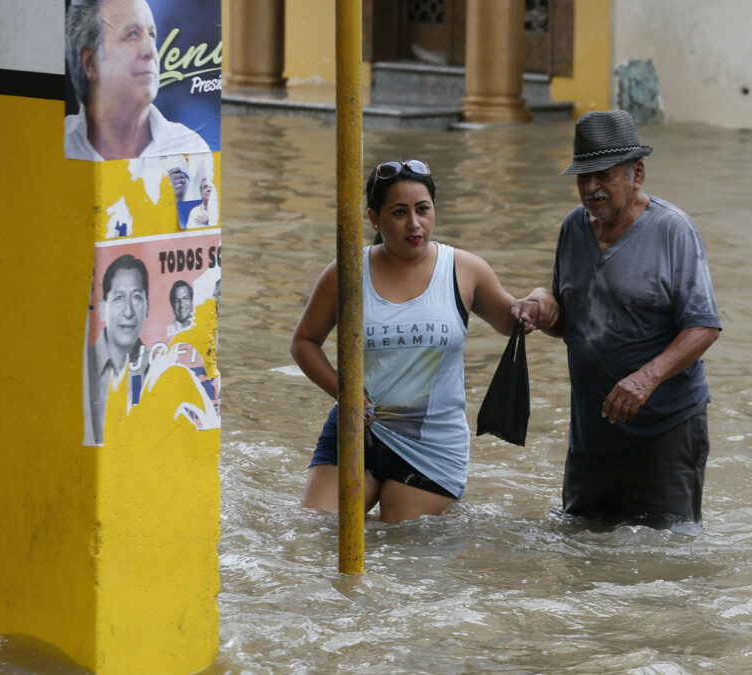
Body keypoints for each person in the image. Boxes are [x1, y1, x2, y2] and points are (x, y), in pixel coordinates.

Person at [290, 159, 556, 523]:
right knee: (315, 535)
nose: (414, 224)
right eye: (399, 212)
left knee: (401, 557)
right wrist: (344, 392)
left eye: (422, 210)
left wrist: (540, 298)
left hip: (431, 446)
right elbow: (304, 342)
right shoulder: (347, 270)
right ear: (374, 217)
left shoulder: (464, 269)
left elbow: (514, 321)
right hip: (356, 431)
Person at [519, 110, 722, 528]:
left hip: (664, 431)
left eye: (604, 176)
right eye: (582, 177)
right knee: (581, 554)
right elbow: (568, 323)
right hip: (591, 435)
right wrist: (540, 309)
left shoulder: (673, 229)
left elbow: (703, 325)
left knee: (667, 559)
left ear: (637, 173)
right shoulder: (573, 229)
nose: (591, 188)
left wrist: (644, 379)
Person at [64, 0, 210, 161]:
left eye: (152, 35)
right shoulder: (59, 143)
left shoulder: (190, 148)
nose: (150, 51)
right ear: (91, 63)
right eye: (132, 34)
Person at [84, 253, 151, 446]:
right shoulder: (83, 366)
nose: (128, 312)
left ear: (147, 307)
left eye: (137, 297)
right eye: (119, 298)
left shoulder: (159, 367)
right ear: (104, 308)